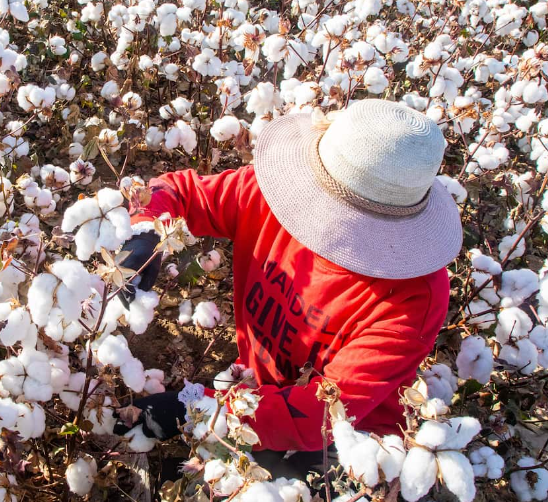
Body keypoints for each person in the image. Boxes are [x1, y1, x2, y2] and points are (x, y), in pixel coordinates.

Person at [115, 99, 463, 480]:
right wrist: (144, 231)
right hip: (258, 389)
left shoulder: (412, 300)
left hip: (348, 438)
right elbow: (181, 191)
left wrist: (196, 409)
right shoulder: (274, 195)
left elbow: (323, 414)